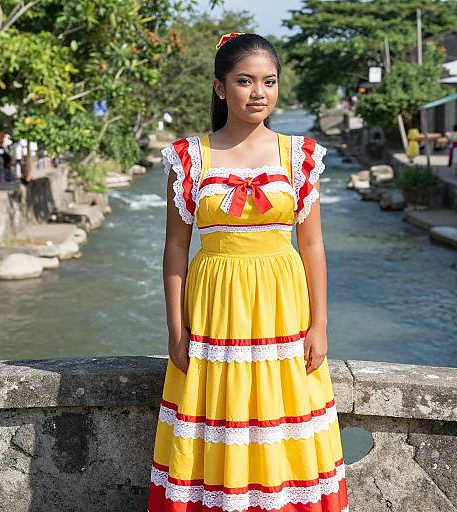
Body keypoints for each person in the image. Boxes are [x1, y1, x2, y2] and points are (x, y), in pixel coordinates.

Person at [147, 32, 349, 512]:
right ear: (221, 88)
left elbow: (313, 243)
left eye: (269, 81)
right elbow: (176, 246)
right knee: (217, 413)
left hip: (282, 307)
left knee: (282, 415)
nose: (259, 92)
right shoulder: (189, 157)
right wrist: (176, 330)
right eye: (245, 81)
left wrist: (320, 325)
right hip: (215, 307)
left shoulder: (299, 156)